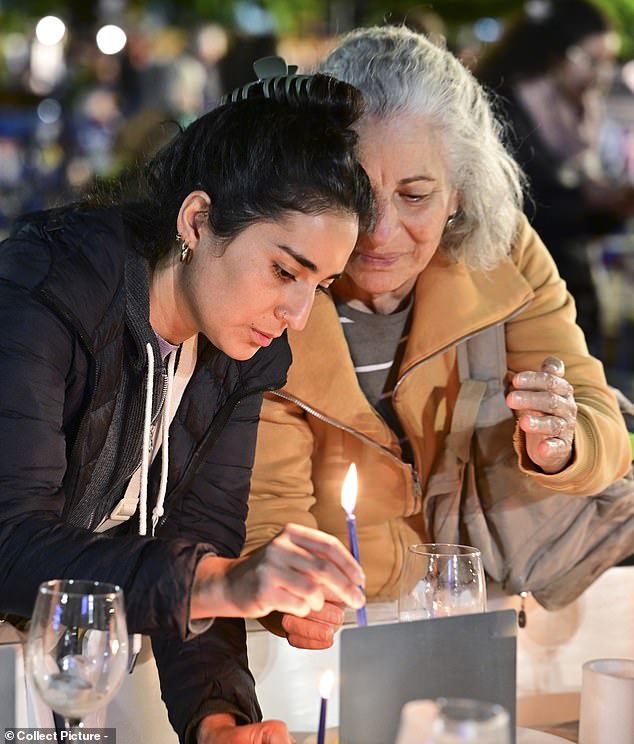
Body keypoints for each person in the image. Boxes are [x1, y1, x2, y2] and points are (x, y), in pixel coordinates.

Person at [0, 67, 374, 744]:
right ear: (197, 220)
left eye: (320, 285)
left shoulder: (245, 351)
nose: (295, 314)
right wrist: (225, 582)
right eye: (285, 271)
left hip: (73, 671)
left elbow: (198, 538)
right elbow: (10, 545)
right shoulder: (45, 290)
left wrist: (219, 722)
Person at [243, 25, 632, 650]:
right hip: (334, 631)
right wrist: (290, 607)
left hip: (504, 616)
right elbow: (267, 515)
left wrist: (561, 445)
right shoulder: (271, 285)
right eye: (355, 192)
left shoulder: (504, 254)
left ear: (459, 193)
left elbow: (601, 425)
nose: (380, 233)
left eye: (415, 196)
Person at [474, 0, 634, 356]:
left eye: (606, 62)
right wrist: (589, 200)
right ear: (554, 53)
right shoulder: (503, 110)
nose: (600, 75)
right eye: (591, 60)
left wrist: (611, 207)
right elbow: (511, 214)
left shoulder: (573, 110)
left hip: (570, 299)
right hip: (518, 310)